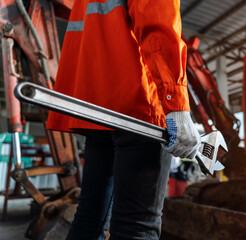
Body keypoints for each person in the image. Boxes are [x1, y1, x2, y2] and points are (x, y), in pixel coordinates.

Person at [46, 0, 201, 239]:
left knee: (89, 217)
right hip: (139, 110)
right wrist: (175, 102)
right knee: (137, 225)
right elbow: (158, 20)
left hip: (98, 109)